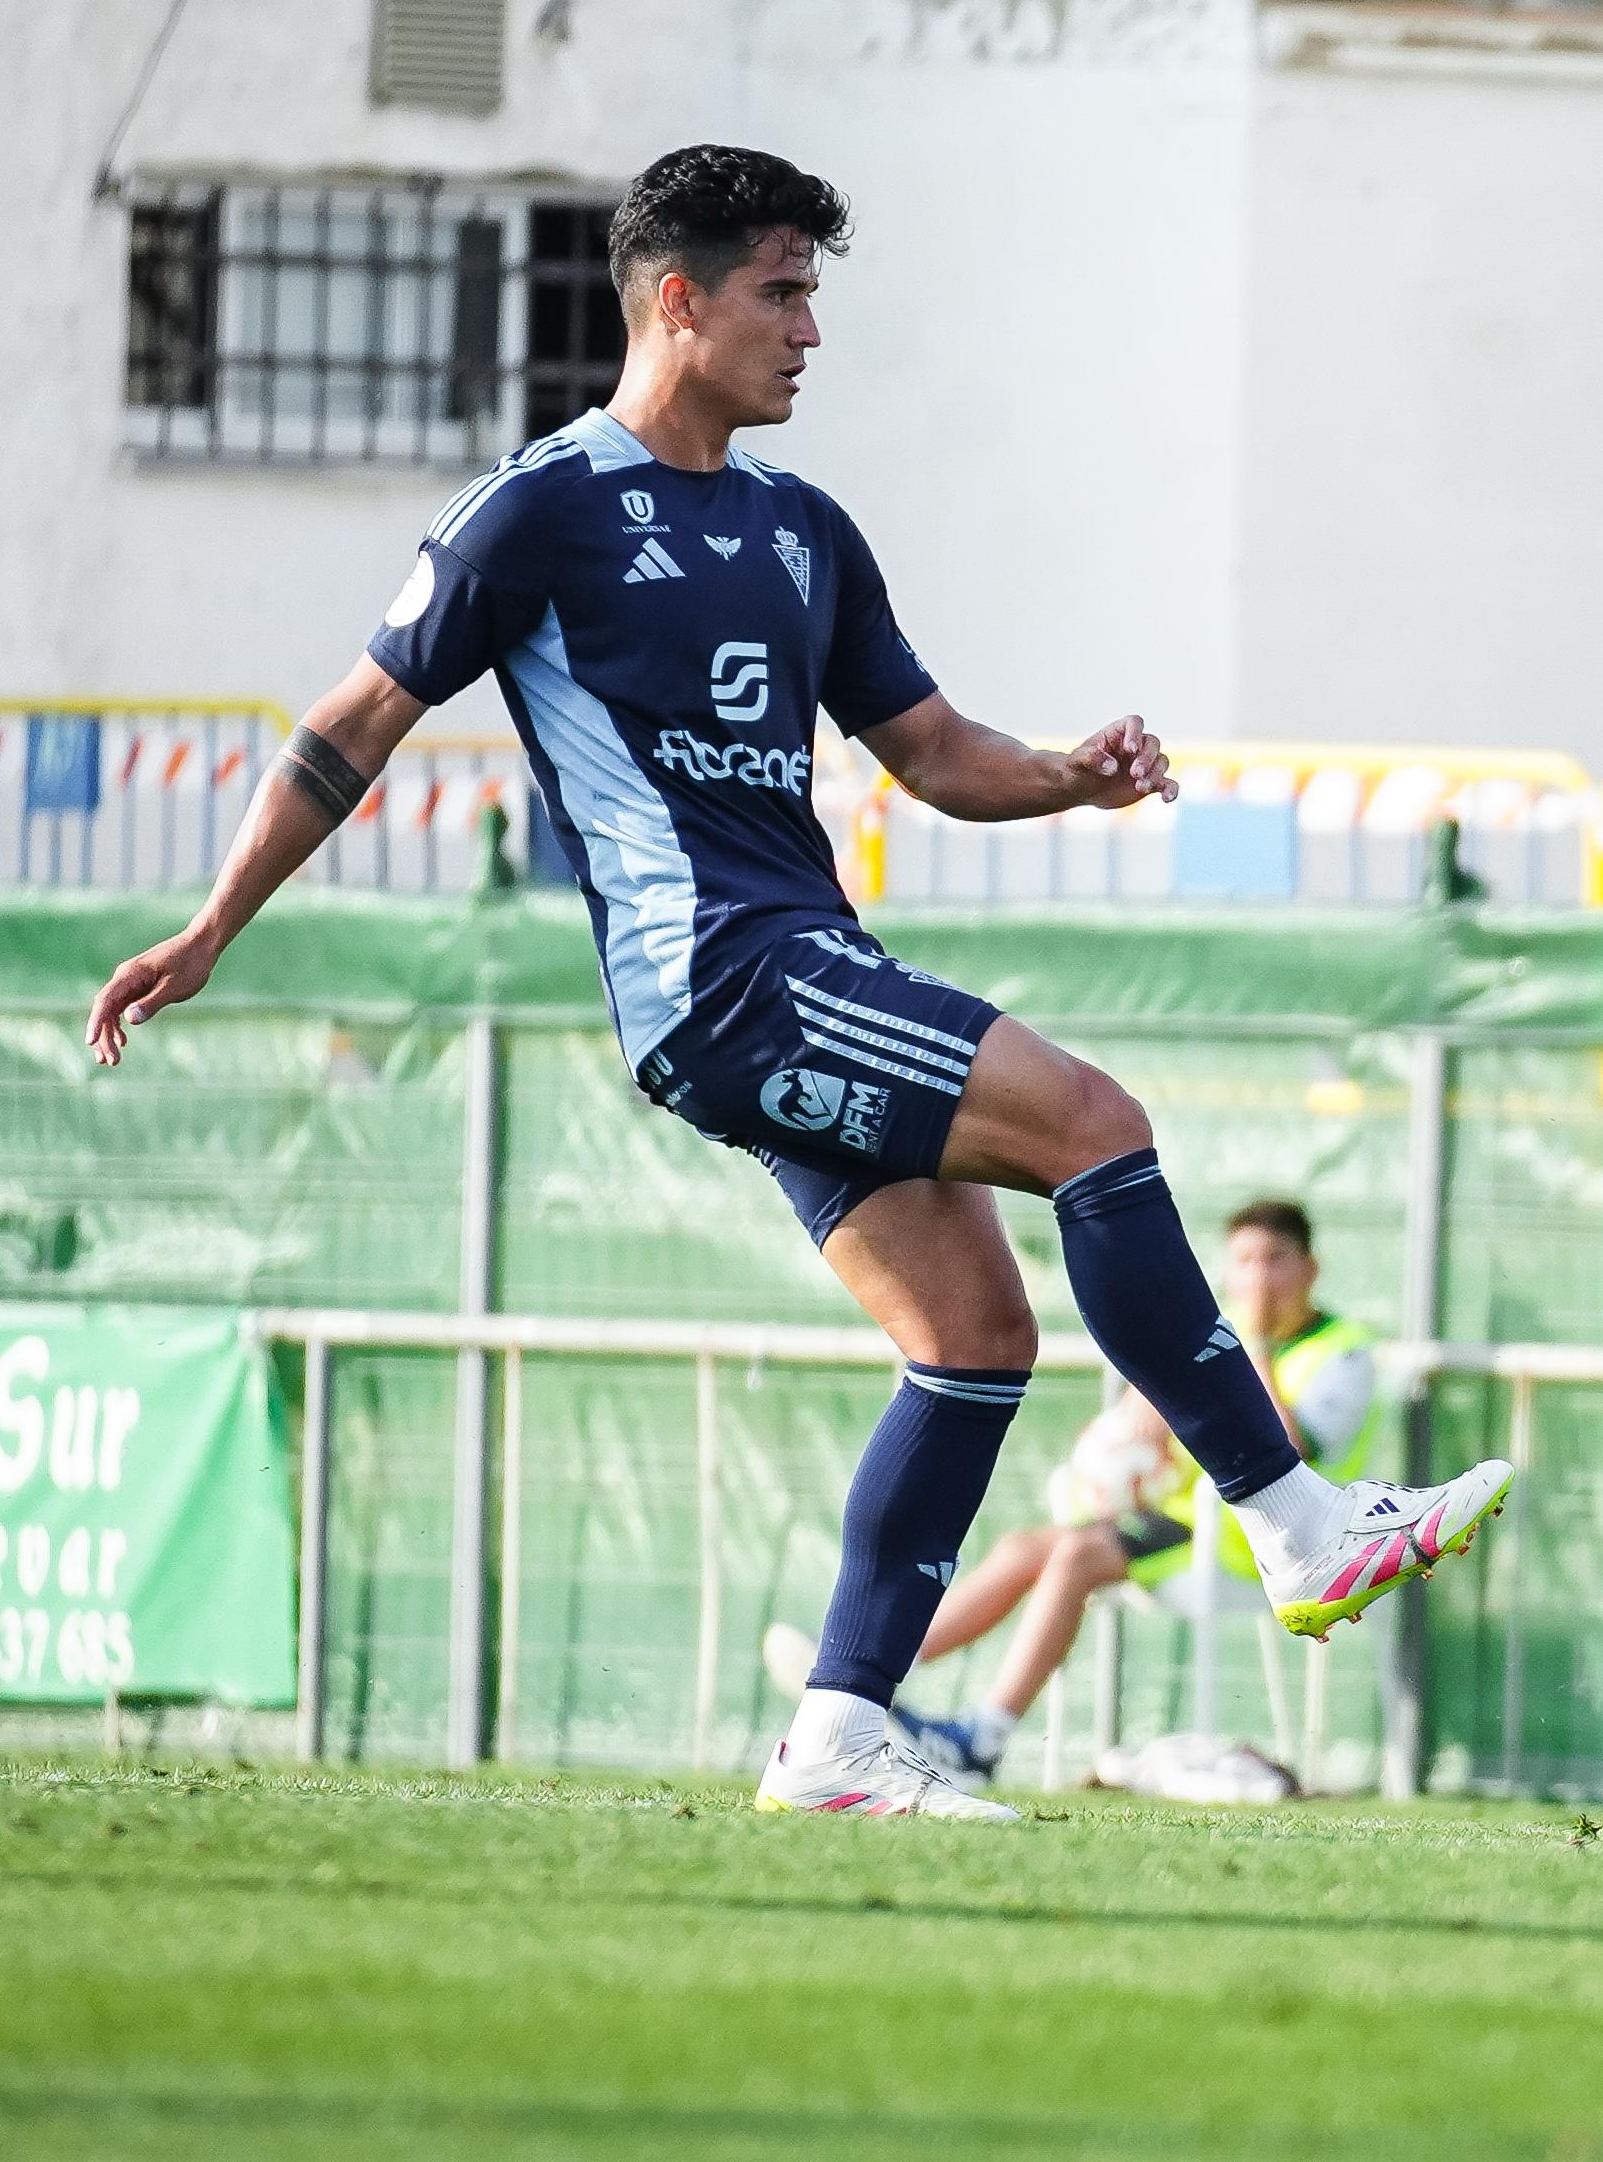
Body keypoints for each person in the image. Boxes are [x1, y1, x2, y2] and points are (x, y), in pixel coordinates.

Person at [83, 147, 1511, 1824]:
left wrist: (1071, 774)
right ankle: (1292, 1515)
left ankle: (837, 1730)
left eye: (815, 291)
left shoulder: (801, 527)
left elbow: (929, 747)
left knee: (975, 1334)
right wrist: (212, 926)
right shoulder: (532, 507)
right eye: (781, 290)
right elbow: (350, 727)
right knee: (1095, 1124)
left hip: (804, 961)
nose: (812, 328)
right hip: (725, 975)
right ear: (676, 299)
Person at [782, 1199, 1380, 1781]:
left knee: (1076, 1556)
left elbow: (1287, 1451)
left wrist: (1255, 1346)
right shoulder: (1211, 1337)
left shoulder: (1345, 1351)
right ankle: (870, 1678)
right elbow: (1145, 1423)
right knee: (1024, 1547)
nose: (1258, 1278)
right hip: (1180, 1522)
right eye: (1243, 1261)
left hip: (1258, 1541)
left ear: (1310, 1268)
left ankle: (979, 1742)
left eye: (1274, 1259)